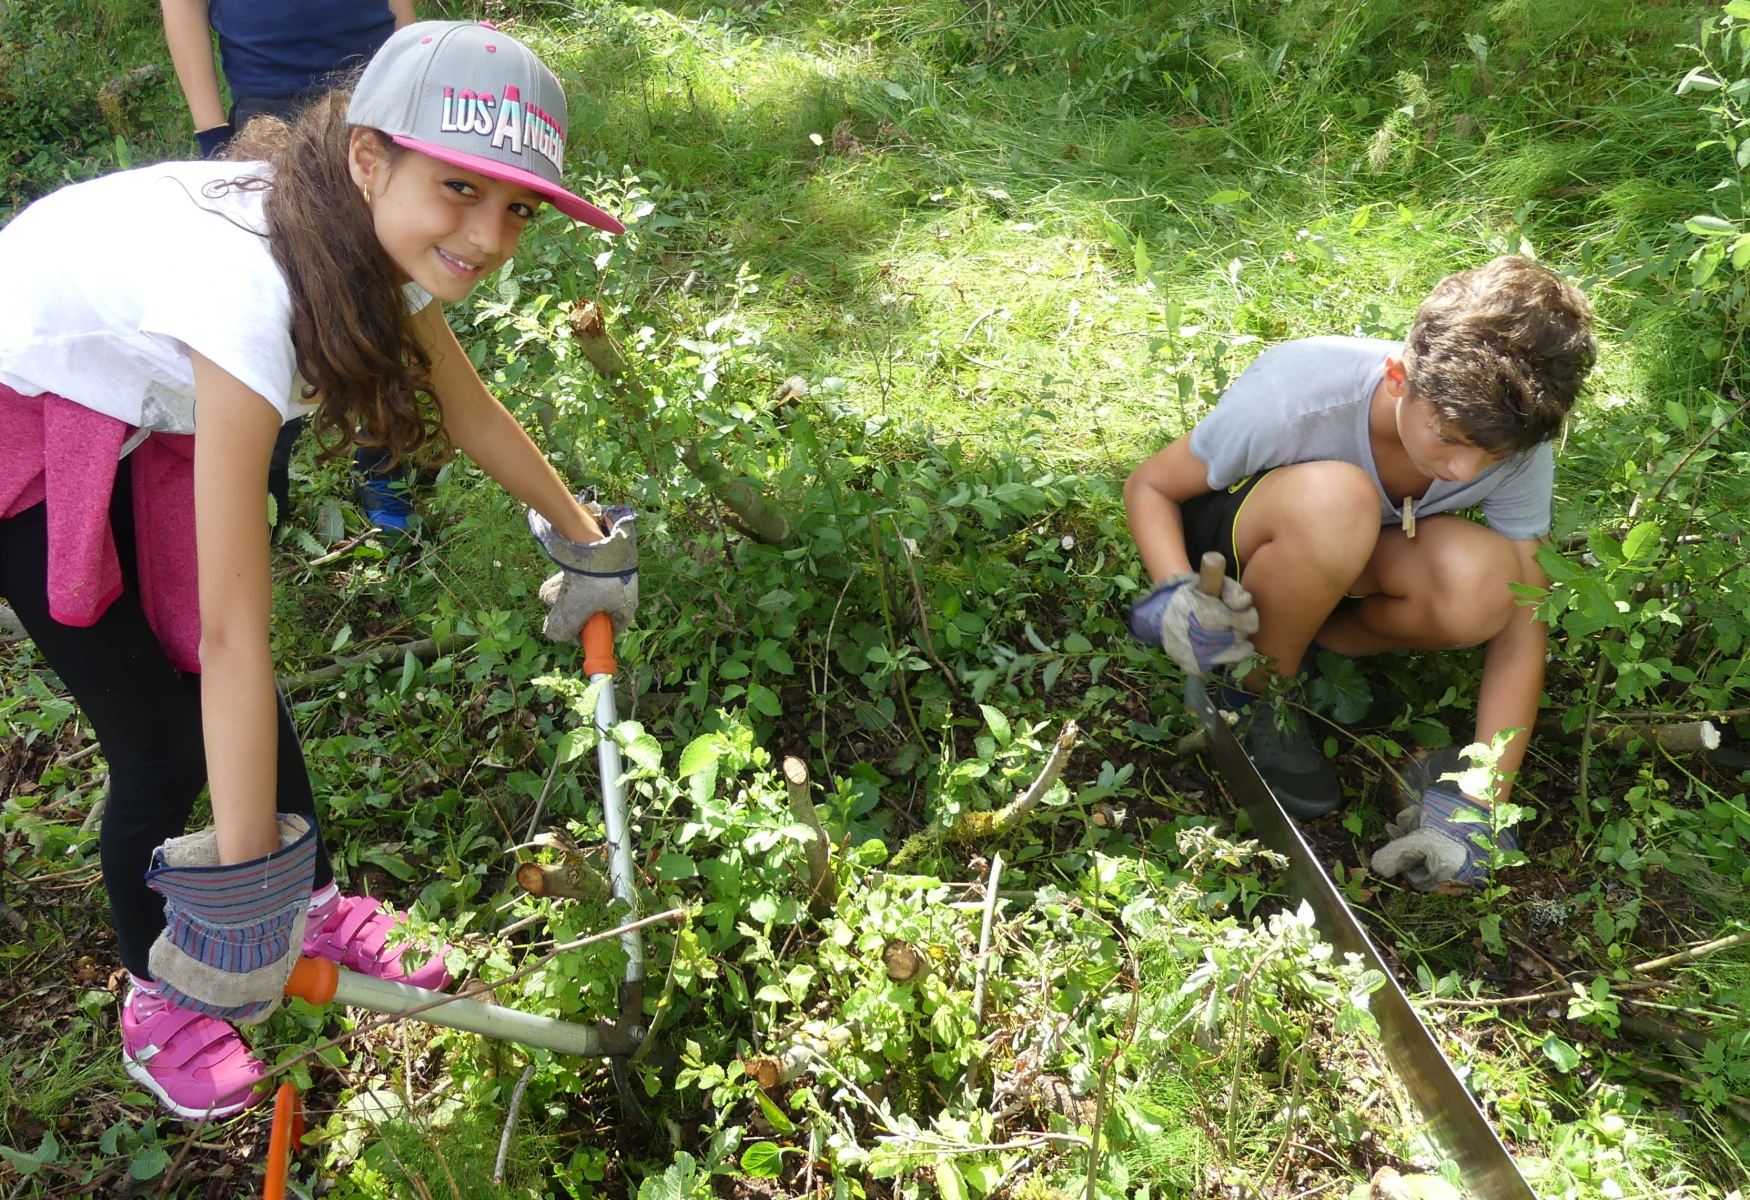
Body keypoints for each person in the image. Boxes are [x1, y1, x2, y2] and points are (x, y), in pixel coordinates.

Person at [0, 21, 636, 1120]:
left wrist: (583, 534)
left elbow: (463, 405)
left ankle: (305, 901)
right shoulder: (246, 293)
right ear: (368, 159)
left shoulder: (370, 237)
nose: (489, 237)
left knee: (221, 677)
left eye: (516, 207)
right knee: (159, 728)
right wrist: (232, 893)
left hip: (147, 397)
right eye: (460, 191)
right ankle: (164, 987)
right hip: (28, 417)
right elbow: (241, 633)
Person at [1124, 256, 1595, 891]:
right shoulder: (1299, 393)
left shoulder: (1514, 438)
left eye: (1493, 456)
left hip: (1352, 560)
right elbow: (1151, 486)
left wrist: (1484, 799)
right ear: (1400, 376)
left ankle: (1313, 641)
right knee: (1337, 501)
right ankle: (1258, 689)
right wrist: (1178, 588)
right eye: (1449, 438)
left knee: (1490, 580)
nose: (1463, 471)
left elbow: (1523, 616)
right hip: (1254, 545)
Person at [161, 0, 423, 536]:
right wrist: (212, 133)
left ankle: (382, 463)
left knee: (388, 282)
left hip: (380, 90)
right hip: (268, 110)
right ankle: (261, 485)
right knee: (278, 302)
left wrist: (414, 74)